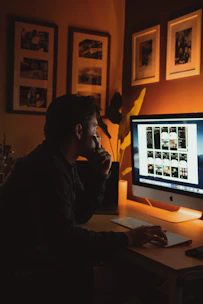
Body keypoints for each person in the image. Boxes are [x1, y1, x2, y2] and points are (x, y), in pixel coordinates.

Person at [0, 94, 167, 304]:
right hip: (29, 279)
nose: (98, 137)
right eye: (95, 129)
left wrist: (100, 176)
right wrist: (128, 238)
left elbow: (80, 214)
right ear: (79, 131)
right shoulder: (50, 170)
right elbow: (68, 238)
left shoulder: (59, 161)